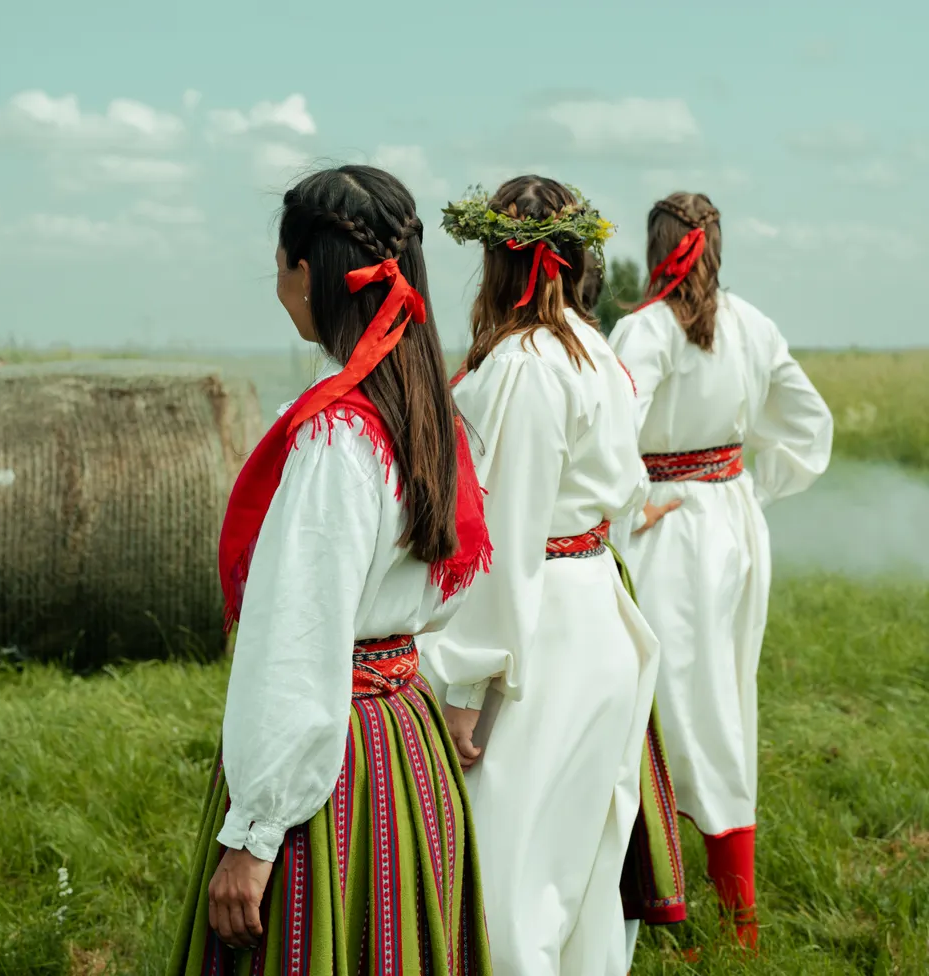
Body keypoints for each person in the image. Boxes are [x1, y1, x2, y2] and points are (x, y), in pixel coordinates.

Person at [167, 165, 494, 976]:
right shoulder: (422, 408)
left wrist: (255, 835)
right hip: (402, 744)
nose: (278, 282)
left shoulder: (337, 438)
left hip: (331, 760)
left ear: (306, 272)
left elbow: (296, 637)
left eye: (280, 265)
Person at [421, 176, 681, 976]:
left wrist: (467, 691)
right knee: (576, 871)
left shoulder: (528, 363)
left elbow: (508, 536)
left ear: (499, 260)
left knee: (513, 876)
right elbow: (625, 489)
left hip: (539, 643)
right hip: (591, 609)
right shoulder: (594, 347)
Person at [609, 192, 833, 951]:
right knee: (724, 700)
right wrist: (744, 488)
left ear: (656, 246)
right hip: (734, 525)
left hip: (671, 532)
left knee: (665, 709)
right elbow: (810, 426)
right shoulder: (752, 323)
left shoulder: (644, 329)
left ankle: (674, 913)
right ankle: (738, 913)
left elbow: (606, 435)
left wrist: (634, 504)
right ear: (715, 247)